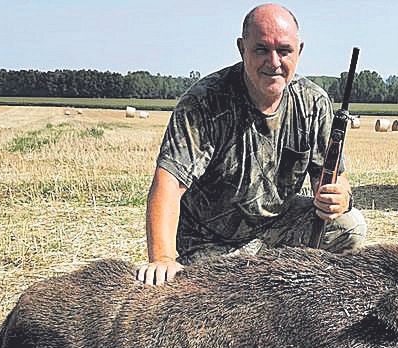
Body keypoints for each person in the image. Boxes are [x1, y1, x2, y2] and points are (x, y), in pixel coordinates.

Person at [137, 3, 367, 285]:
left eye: (284, 50)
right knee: (223, 293)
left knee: (350, 226)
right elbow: (168, 184)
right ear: (241, 48)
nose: (274, 62)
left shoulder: (314, 103)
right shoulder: (204, 103)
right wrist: (162, 259)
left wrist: (339, 197)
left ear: (299, 50)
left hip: (277, 229)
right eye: (261, 49)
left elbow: (332, 178)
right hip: (212, 244)